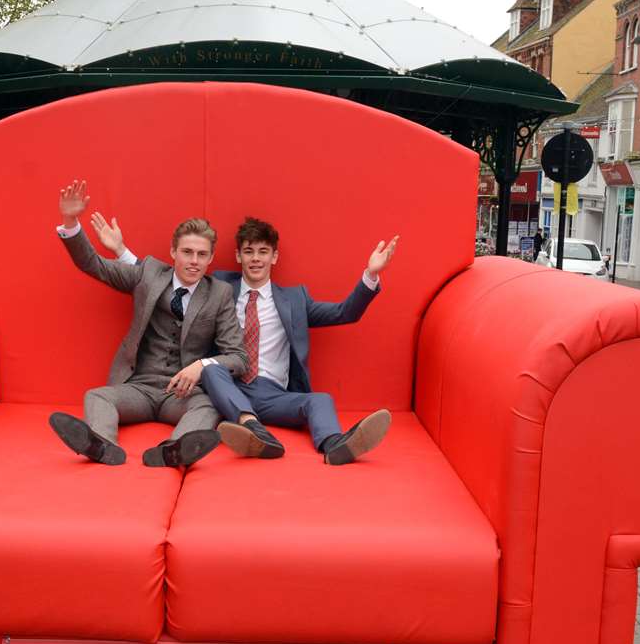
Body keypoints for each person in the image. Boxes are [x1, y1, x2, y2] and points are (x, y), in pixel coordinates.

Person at [100, 215, 397, 465]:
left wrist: (370, 275)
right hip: (226, 386)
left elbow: (345, 313)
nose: (256, 258)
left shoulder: (295, 300)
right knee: (212, 367)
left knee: (320, 400)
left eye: (263, 251)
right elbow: (165, 277)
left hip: (273, 394)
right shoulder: (217, 289)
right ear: (239, 256)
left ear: (274, 256)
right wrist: (123, 251)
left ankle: (334, 446)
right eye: (249, 251)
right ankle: (251, 429)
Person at [46, 179, 246, 469]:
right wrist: (70, 221)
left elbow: (238, 358)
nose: (194, 261)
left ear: (211, 258)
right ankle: (102, 445)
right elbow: (94, 265)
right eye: (187, 252)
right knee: (97, 396)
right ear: (173, 252)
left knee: (209, 406)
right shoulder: (148, 275)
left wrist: (201, 366)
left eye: (202, 255)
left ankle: (173, 450)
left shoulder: (219, 294)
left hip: (182, 394)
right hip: (138, 387)